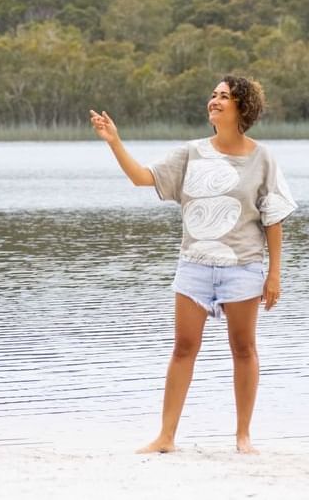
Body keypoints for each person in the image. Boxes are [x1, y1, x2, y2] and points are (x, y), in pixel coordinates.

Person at [89, 76, 296, 455]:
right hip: (195, 267)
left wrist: (274, 274)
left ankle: (243, 437)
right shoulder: (191, 153)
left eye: (224, 96)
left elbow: (274, 218)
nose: (214, 101)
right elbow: (141, 178)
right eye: (213, 95)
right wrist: (114, 142)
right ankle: (165, 437)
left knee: (244, 349)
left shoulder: (262, 158)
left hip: (243, 267)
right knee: (183, 348)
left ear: (242, 108)